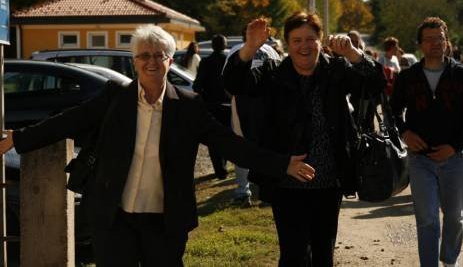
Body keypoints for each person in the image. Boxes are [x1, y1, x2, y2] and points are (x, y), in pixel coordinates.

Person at [0, 25, 315, 267]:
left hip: (165, 220)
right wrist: (18, 138)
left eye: (158, 55)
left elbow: (229, 144)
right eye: (144, 55)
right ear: (135, 61)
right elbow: (67, 121)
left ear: (169, 59)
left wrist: (281, 163)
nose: (151, 62)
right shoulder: (115, 97)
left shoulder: (189, 105)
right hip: (114, 217)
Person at [223, 12, 385, 266]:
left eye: (310, 39)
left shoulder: (336, 70)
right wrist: (251, 46)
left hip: (328, 182)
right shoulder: (272, 73)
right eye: (297, 40)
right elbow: (234, 83)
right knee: (293, 256)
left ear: (321, 41)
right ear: (288, 44)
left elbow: (376, 82)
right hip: (286, 182)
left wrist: (353, 53)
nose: (304, 46)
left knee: (323, 256)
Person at [391, 17, 463, 267]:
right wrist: (405, 132)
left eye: (439, 38)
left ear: (446, 41)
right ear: (420, 44)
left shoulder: (461, 75)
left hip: (454, 158)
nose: (435, 43)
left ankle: (449, 259)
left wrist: (454, 146)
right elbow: (393, 111)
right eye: (429, 39)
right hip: (420, 161)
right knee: (428, 218)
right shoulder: (409, 77)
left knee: (454, 217)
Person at [224, 28, 281, 207]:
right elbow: (227, 80)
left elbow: (278, 78)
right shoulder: (238, 51)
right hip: (243, 104)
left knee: (262, 145)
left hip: (263, 105)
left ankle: (260, 191)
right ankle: (244, 191)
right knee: (244, 146)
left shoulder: (268, 50)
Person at [193, 34, 231, 179]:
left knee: (213, 138)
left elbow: (197, 85)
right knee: (227, 136)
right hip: (228, 105)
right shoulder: (229, 61)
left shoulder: (206, 62)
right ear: (225, 46)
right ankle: (223, 165)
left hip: (212, 105)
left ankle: (219, 169)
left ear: (212, 46)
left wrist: (204, 98)